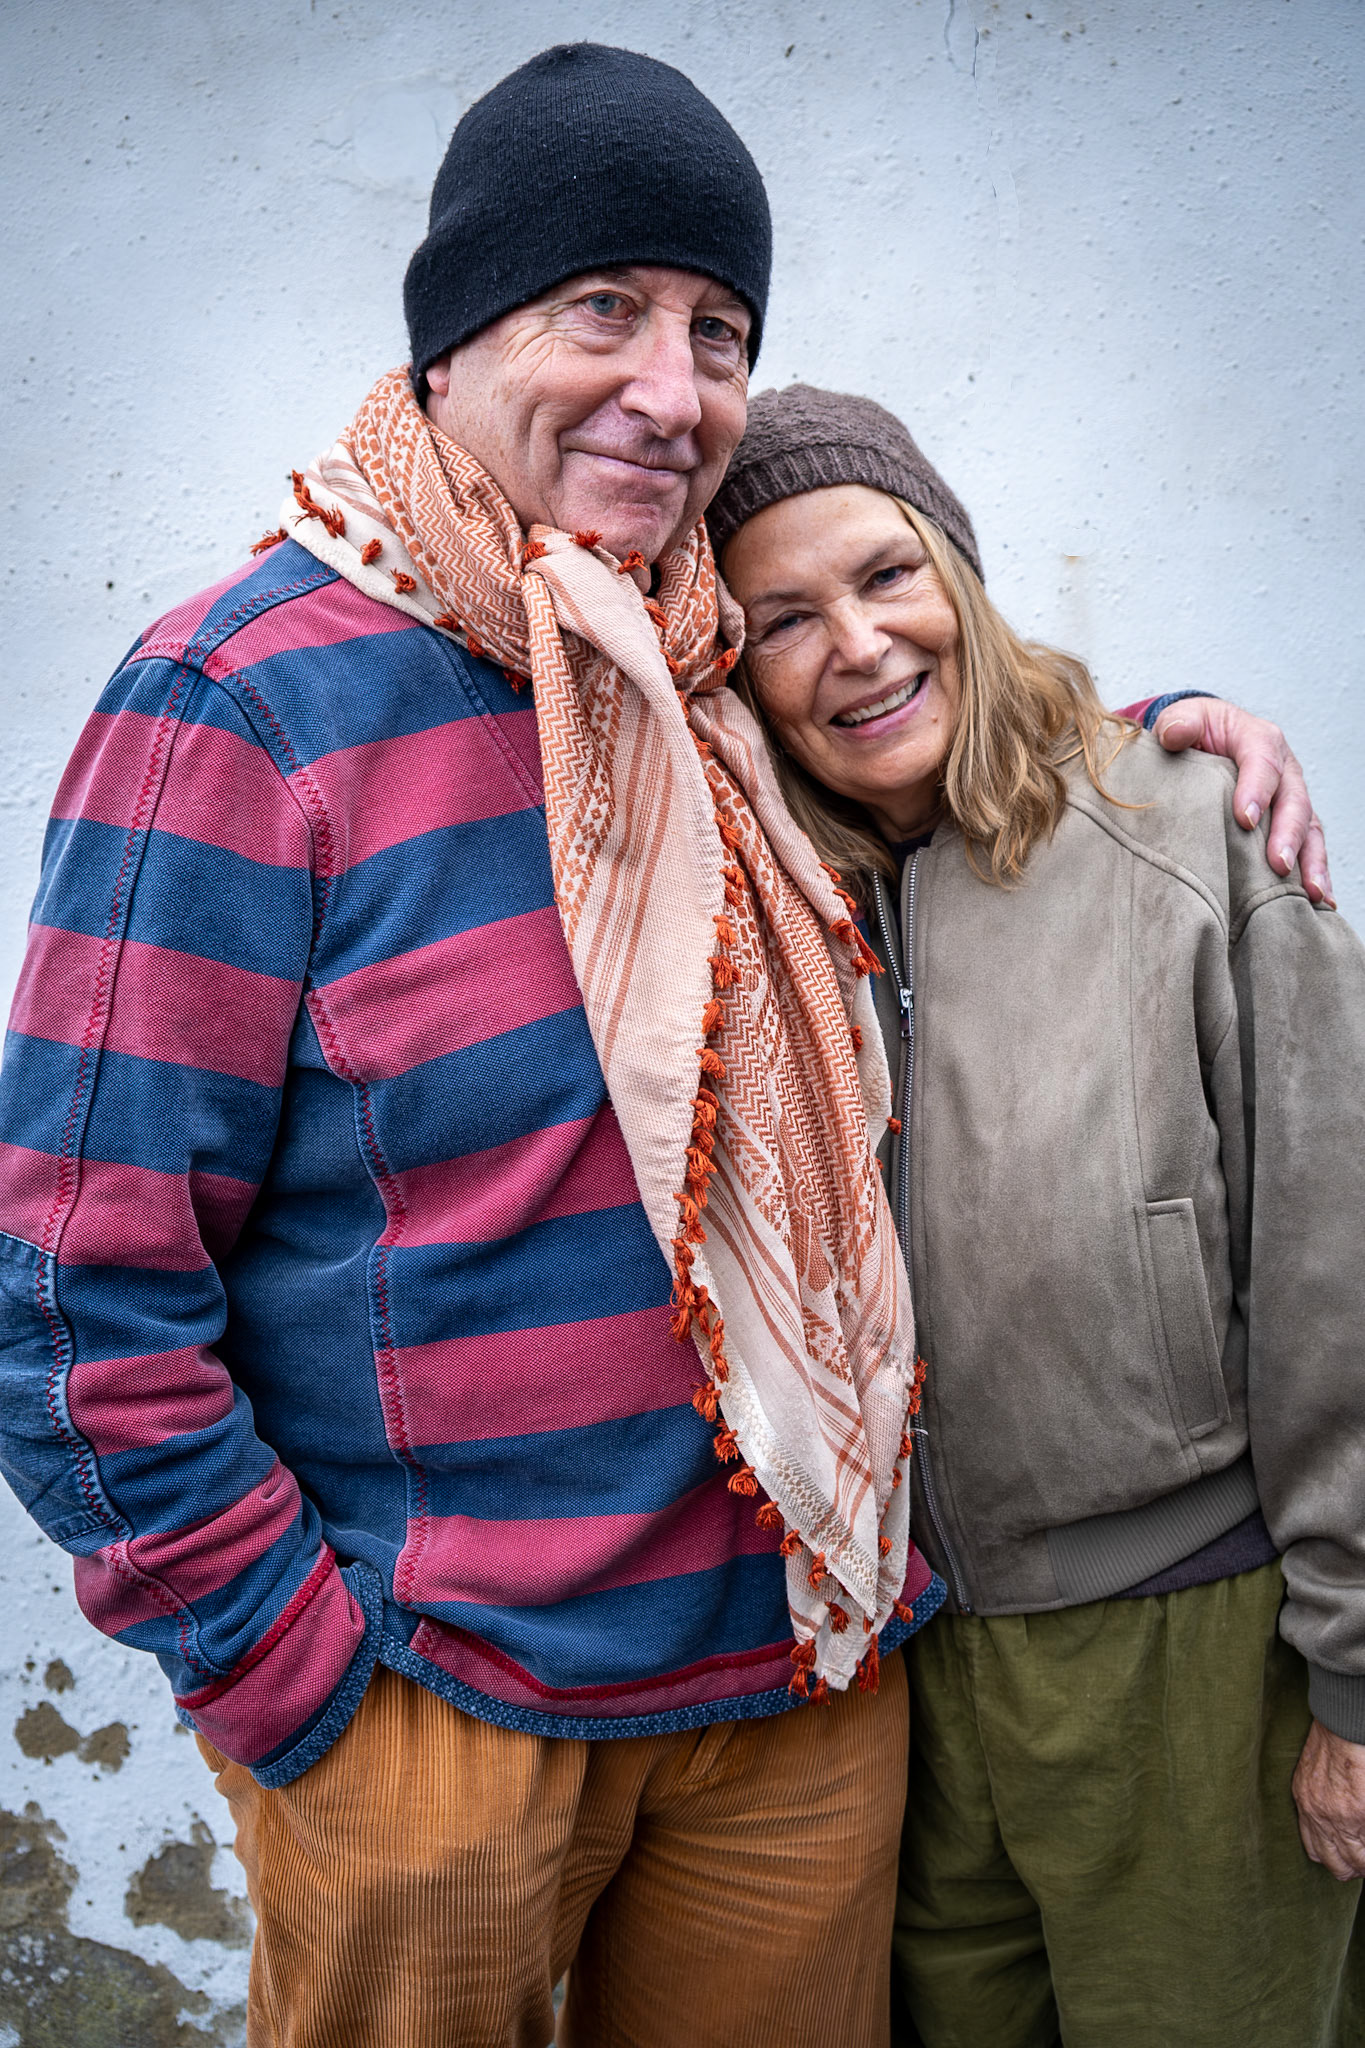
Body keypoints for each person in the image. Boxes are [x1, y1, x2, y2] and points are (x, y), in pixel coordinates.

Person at [0, 43, 1329, 2048]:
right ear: (454, 339)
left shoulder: (711, 669)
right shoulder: (242, 707)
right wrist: (289, 1677)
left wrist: (1157, 747)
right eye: (601, 306)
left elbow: (934, 762)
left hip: (801, 1681)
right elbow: (73, 1288)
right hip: (446, 1711)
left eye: (717, 330)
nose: (672, 386)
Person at [707, 383, 1365, 2047]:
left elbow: (1337, 1278)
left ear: (958, 572)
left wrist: (1356, 1679)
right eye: (783, 618)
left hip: (1192, 1654)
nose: (855, 645)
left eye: (885, 576)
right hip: (902, 1686)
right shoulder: (775, 896)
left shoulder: (1186, 829)